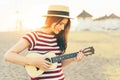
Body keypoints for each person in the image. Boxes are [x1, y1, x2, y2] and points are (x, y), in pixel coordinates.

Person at [4, 5, 84, 80]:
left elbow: (58, 64)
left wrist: (72, 58)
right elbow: (8, 56)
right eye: (61, 23)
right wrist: (33, 61)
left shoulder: (58, 38)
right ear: (51, 20)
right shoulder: (34, 36)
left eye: (65, 25)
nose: (62, 28)